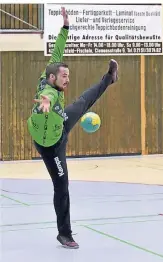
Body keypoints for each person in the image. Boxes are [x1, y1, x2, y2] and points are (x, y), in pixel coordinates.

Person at [27, 7, 118, 249]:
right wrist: (43, 105)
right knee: (61, 186)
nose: (67, 79)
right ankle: (64, 234)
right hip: (50, 145)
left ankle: (109, 77)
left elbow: (58, 49)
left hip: (60, 123)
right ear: (52, 79)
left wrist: (65, 27)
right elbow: (46, 99)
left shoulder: (51, 74)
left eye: (68, 75)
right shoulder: (47, 91)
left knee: (84, 100)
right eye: (64, 76)